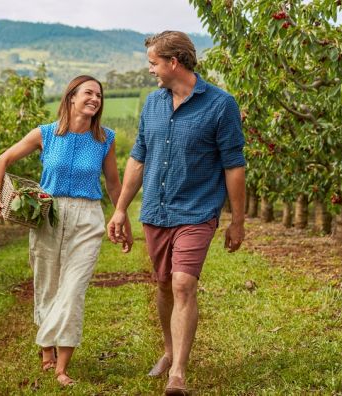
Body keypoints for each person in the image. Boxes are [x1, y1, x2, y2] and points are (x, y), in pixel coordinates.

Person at [107, 31, 246, 395]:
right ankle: (169, 352)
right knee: (165, 284)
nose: (150, 70)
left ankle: (178, 374)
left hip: (197, 209)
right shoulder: (152, 104)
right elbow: (138, 158)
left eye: (153, 63)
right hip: (156, 209)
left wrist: (237, 220)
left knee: (184, 283)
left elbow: (234, 166)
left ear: (173, 62)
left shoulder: (220, 104)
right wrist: (121, 208)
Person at [0, 75, 132, 387]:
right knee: (47, 283)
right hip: (49, 214)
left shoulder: (105, 139)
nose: (95, 99)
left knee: (73, 289)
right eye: (88, 93)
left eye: (99, 95)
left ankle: (61, 368)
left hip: (87, 217)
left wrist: (123, 218)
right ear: (71, 98)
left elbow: (112, 183)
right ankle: (46, 349)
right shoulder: (46, 134)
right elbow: (2, 161)